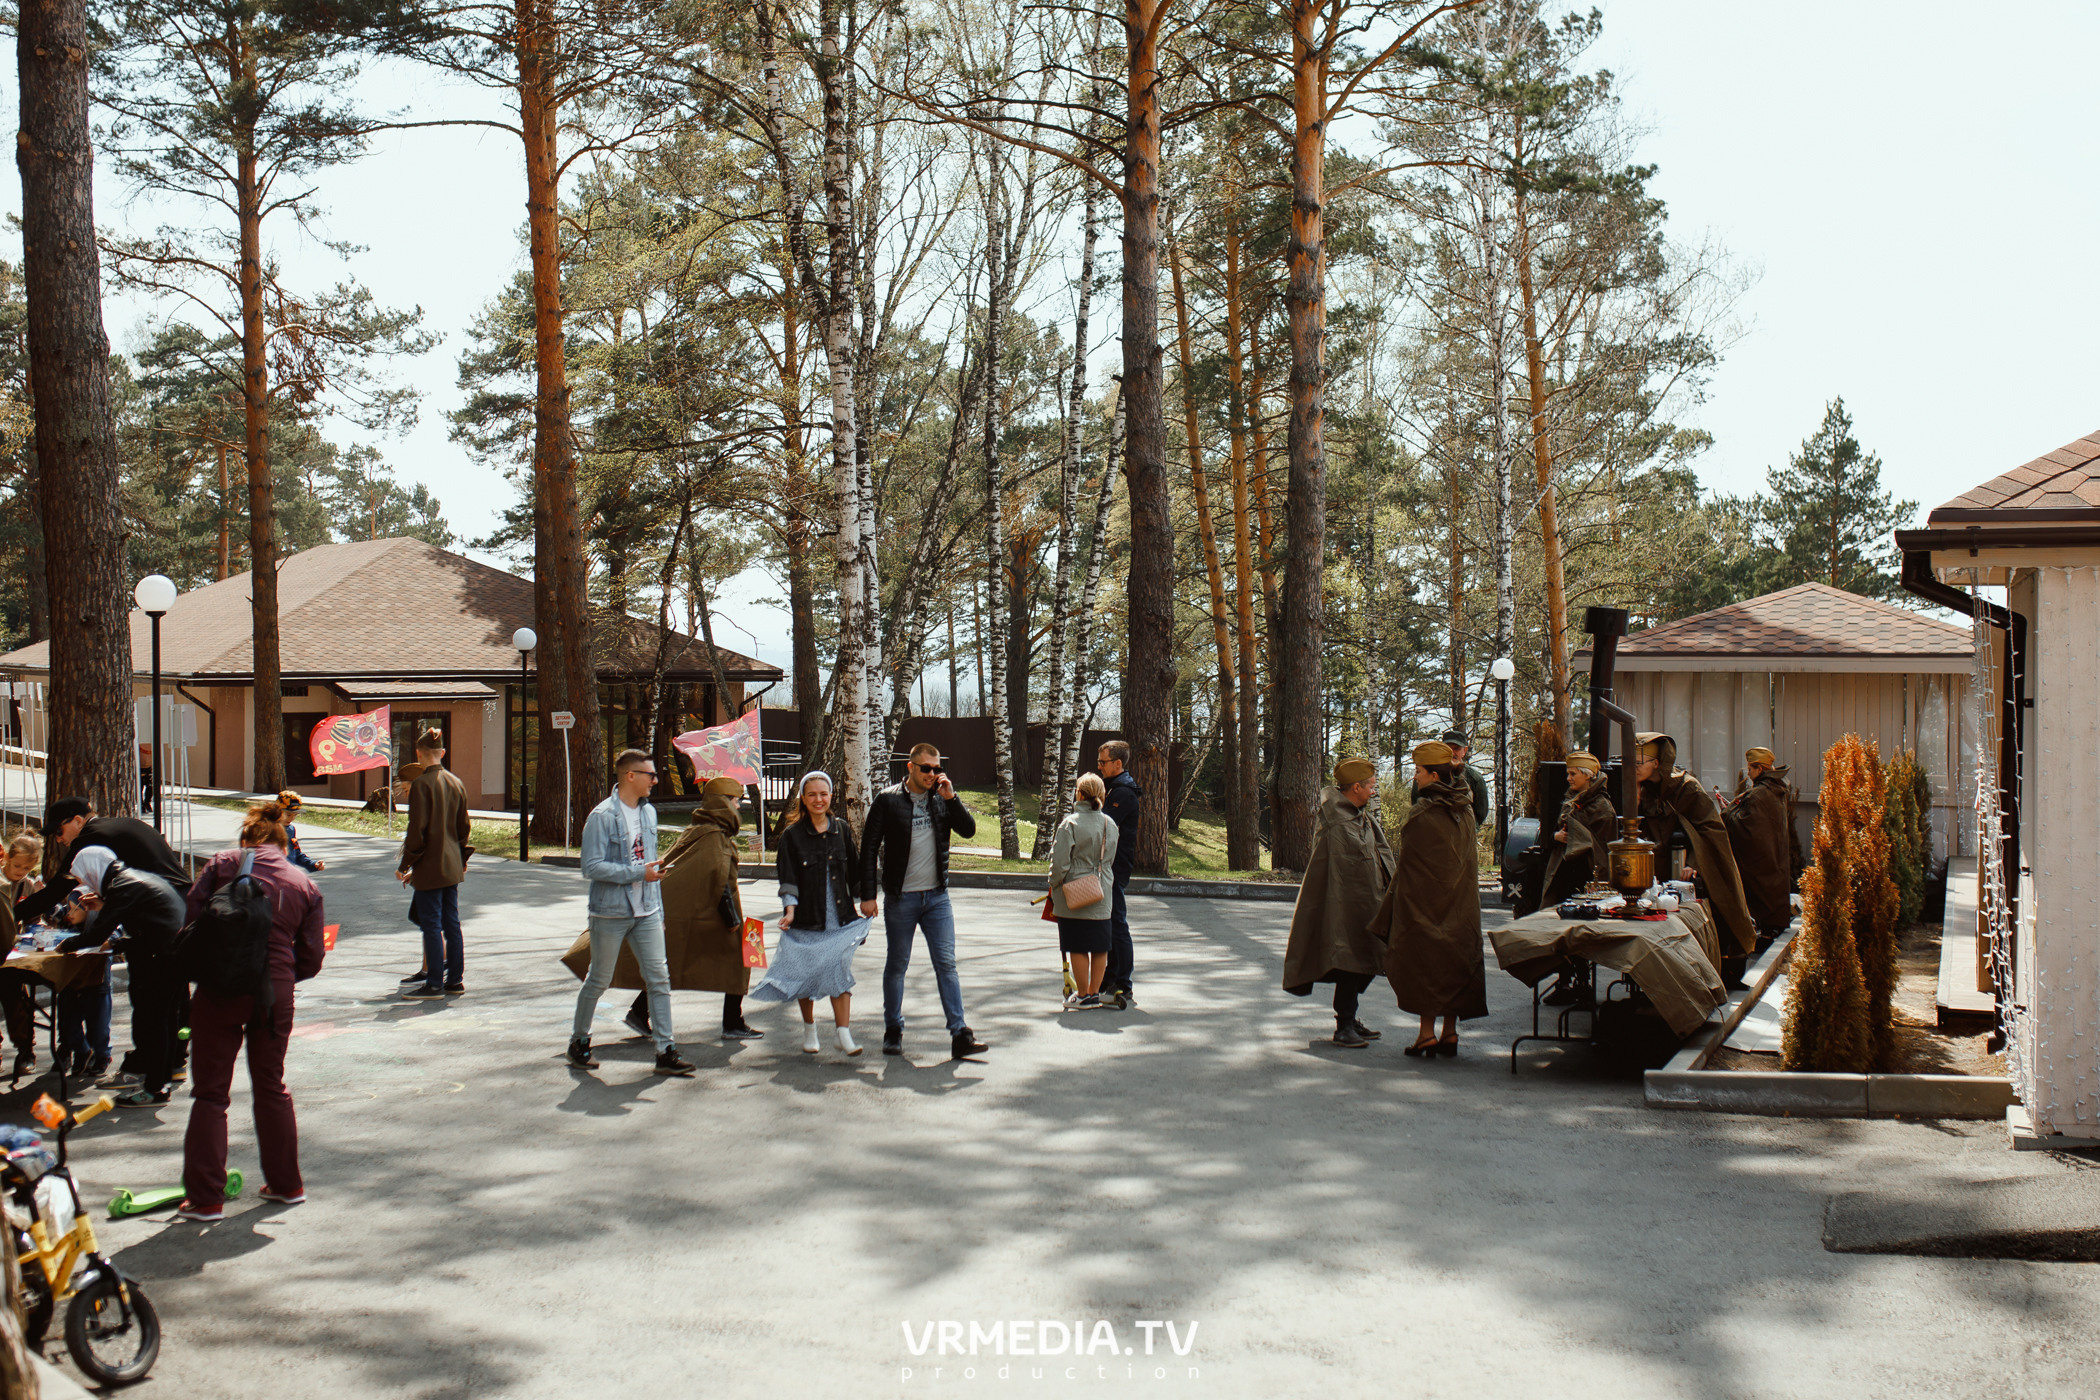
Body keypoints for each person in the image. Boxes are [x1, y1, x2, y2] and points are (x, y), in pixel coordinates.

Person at [173, 801, 327, 1223]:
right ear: (283, 843)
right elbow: (311, 959)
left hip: (220, 990)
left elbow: (190, 923)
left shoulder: (223, 864)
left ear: (247, 840)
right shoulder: (303, 883)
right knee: (271, 1085)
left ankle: (206, 1198)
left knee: (210, 1094)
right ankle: (286, 1183)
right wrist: (281, 975)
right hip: (273, 993)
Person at [586, 776, 763, 1043]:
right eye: (735, 802)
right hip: (717, 913)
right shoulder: (714, 836)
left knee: (677, 959)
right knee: (739, 961)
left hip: (701, 912)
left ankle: (639, 1011)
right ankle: (732, 1023)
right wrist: (732, 918)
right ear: (722, 803)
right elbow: (716, 878)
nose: (738, 808)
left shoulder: (700, 829)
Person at [568, 750, 695, 1076]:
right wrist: (640, 874)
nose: (655, 780)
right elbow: (591, 867)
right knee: (599, 978)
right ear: (630, 776)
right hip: (610, 913)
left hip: (648, 911)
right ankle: (579, 1041)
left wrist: (659, 911)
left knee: (659, 978)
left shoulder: (649, 813)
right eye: (650, 775)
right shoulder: (603, 816)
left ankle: (665, 1050)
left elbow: (651, 864)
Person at [860, 743, 988, 1059]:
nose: (932, 774)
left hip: (937, 900)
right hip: (901, 898)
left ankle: (960, 1034)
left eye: (936, 768)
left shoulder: (942, 798)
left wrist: (952, 798)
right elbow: (868, 848)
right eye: (926, 768)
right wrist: (866, 894)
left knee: (946, 964)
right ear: (911, 767)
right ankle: (893, 1029)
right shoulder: (888, 800)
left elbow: (969, 831)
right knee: (897, 965)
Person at [1374, 740, 1488, 1058]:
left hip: (1425, 907)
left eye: (1419, 771)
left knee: (1427, 963)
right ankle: (1450, 1033)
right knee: (1456, 960)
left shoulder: (1421, 815)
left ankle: (1426, 1034)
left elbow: (1408, 869)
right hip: (1463, 906)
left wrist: (1393, 909)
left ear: (1434, 777)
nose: (1415, 777)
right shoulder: (1465, 810)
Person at [749, 772, 869, 1057]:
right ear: (803, 798)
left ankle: (843, 1035)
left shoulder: (841, 829)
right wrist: (789, 909)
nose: (819, 799)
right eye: (812, 794)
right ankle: (810, 1029)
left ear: (831, 797)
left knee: (839, 973)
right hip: (806, 919)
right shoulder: (792, 835)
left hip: (839, 919)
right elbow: (787, 876)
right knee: (806, 974)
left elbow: (854, 870)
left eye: (823, 794)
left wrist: (867, 898)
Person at [1281, 758, 1397, 1048]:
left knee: (1371, 957)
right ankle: (1344, 1024)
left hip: (1368, 902)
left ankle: (1350, 1017)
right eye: (1370, 787)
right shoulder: (1336, 822)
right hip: (1343, 906)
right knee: (1351, 959)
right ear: (1356, 787)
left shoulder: (1360, 816)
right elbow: (1332, 870)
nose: (1373, 792)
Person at [61, 846, 188, 1106]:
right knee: (163, 1022)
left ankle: (155, 1087)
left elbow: (98, 934)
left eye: (85, 876)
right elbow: (146, 918)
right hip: (170, 954)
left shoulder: (123, 885)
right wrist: (108, 912)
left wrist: (64, 946)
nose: (86, 884)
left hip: (159, 959)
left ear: (95, 869)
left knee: (153, 1023)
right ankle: (158, 1080)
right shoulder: (131, 878)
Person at [1635, 731, 1757, 985]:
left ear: (1656, 763)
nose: (1633, 768)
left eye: (1639, 762)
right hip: (1658, 868)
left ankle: (1724, 970)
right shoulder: (1640, 790)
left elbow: (1710, 829)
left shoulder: (1686, 787)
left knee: (1718, 915)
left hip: (1694, 867)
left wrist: (1694, 862)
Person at [17, 796, 192, 923]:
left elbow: (55, 891)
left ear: (78, 821)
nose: (58, 839)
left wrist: (10, 914)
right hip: (188, 901)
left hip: (162, 912)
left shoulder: (89, 838)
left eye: (58, 831)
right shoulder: (129, 824)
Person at [1532, 752, 1619, 1006]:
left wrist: (1574, 838)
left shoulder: (1602, 807)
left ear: (1588, 775)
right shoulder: (1572, 800)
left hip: (1587, 878)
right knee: (1563, 932)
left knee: (1581, 933)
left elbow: (1602, 845)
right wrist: (1556, 837)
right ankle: (1565, 980)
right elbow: (1563, 831)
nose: (1568, 778)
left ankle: (1583, 983)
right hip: (1565, 875)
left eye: (1573, 773)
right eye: (1568, 773)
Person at [397, 730, 471, 1000]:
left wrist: (406, 864)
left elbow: (417, 830)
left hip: (429, 864)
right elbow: (464, 827)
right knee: (452, 923)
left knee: (431, 924)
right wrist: (462, 858)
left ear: (418, 754)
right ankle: (455, 980)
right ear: (442, 752)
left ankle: (434, 984)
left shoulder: (421, 785)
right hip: (452, 863)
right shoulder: (456, 782)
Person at [1049, 773, 1119, 1010]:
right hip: (1102, 889)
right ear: (1101, 795)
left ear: (1079, 794)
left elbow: (1060, 864)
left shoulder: (1070, 823)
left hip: (1075, 891)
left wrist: (1053, 882)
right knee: (1100, 945)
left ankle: (1082, 994)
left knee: (1077, 943)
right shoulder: (1111, 823)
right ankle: (1094, 993)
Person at [1723, 746, 1803, 952]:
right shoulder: (1776, 789)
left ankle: (1765, 934)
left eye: (1750, 768)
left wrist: (1728, 811)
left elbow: (1744, 825)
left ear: (1759, 768)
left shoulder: (1759, 794)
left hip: (1759, 858)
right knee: (1771, 894)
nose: (1748, 772)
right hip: (1773, 854)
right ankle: (1770, 930)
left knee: (1759, 895)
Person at [1097, 740, 1141, 1009]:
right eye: (1099, 762)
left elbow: (1103, 825)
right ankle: (1110, 977)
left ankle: (1123, 982)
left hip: (1115, 868)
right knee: (1109, 923)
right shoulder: (1114, 788)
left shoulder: (1122, 793)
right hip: (1109, 866)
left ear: (1118, 763)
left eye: (1103, 762)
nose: (1099, 766)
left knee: (1117, 923)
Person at [0, 833, 45, 1077]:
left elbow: (33, 919)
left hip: (14, 954)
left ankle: (26, 1049)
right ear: (6, 858)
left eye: (26, 868)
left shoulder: (27, 884)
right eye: (17, 866)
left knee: (17, 1003)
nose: (20, 871)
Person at [1411, 729, 1490, 826]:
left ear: (1464, 751)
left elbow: (1480, 815)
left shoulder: (1475, 778)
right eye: (1447, 748)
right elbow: (1416, 805)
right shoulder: (1426, 775)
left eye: (1456, 748)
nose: (1452, 752)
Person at [277, 790, 326, 873]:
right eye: (288, 814)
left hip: (288, 874)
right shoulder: (267, 828)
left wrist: (313, 864)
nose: (291, 818)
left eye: (295, 815)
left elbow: (296, 853)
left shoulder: (290, 830)